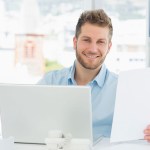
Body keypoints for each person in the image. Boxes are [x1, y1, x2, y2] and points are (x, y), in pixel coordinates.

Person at [38, 9, 150, 143]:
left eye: (100, 42)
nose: (92, 49)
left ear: (109, 47)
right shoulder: (50, 82)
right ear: (75, 42)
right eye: (86, 40)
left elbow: (140, 132)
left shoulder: (124, 90)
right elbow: (28, 123)